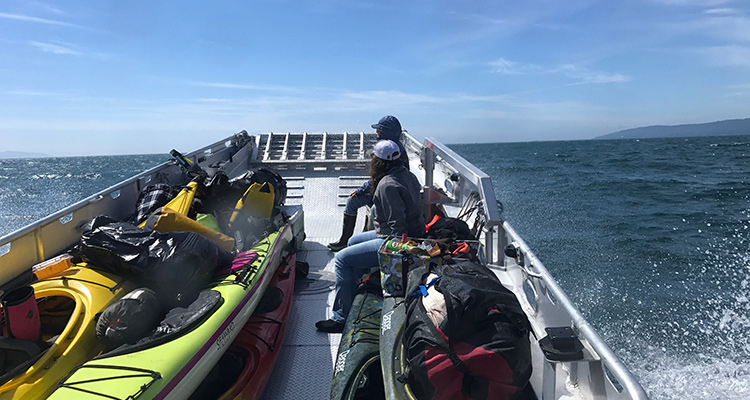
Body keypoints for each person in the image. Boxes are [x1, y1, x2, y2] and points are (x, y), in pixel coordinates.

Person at [316, 140, 425, 333]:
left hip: (400, 242)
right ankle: (356, 290)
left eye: (373, 157)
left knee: (341, 259)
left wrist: (393, 252)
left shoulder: (387, 185)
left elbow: (397, 230)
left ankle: (340, 318)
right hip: (413, 233)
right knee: (351, 242)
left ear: (379, 161)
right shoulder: (407, 175)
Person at [328, 115, 411, 251]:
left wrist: (362, 190)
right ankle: (345, 240)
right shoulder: (391, 147)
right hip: (382, 189)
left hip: (389, 194)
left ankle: (366, 241)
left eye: (379, 129)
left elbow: (382, 179)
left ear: (386, 131)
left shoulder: (393, 151)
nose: (376, 132)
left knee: (367, 206)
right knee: (352, 202)